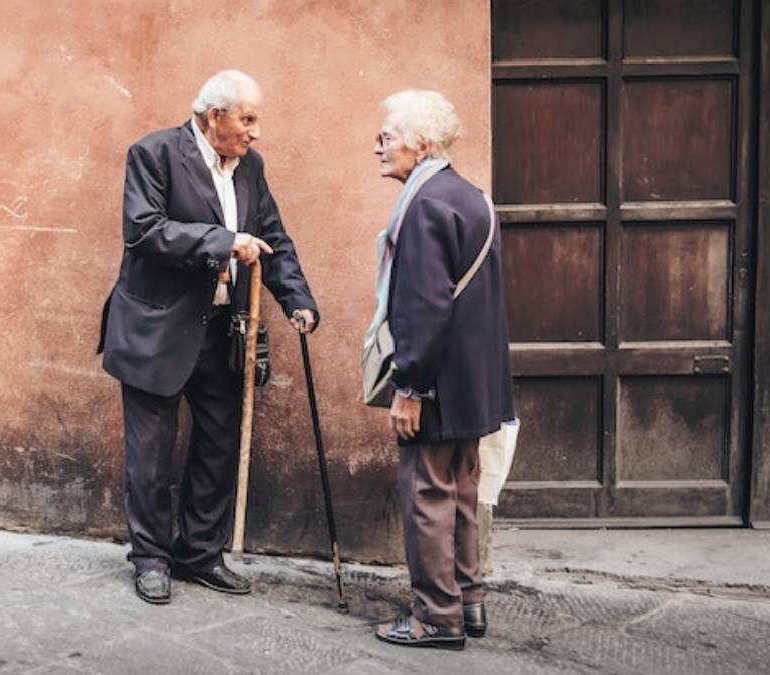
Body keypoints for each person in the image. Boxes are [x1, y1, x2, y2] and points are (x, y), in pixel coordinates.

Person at [98, 69, 319, 605]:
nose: (255, 132)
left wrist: (297, 299)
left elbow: (272, 235)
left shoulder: (251, 167)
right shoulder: (153, 154)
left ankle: (199, 553)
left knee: (219, 446)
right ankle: (151, 558)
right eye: (248, 119)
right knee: (151, 455)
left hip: (223, 331)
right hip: (156, 329)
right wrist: (223, 241)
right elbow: (145, 230)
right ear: (215, 115)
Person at [368, 90, 514, 649]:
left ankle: (435, 616)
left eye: (387, 137)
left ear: (422, 143)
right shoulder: (471, 197)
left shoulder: (425, 204)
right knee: (461, 492)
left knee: (427, 494)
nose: (378, 147)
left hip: (436, 383)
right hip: (472, 383)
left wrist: (409, 387)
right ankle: (468, 601)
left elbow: (425, 306)